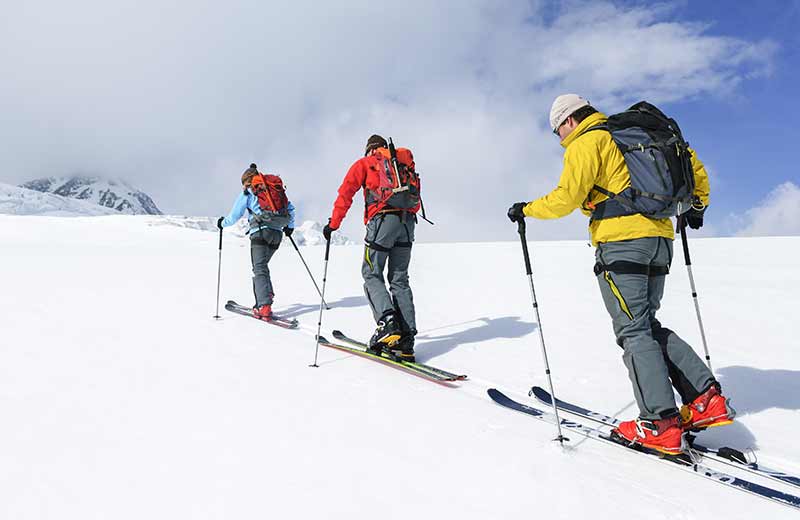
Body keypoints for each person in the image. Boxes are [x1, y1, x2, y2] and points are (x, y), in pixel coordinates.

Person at [507, 94, 735, 455]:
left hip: (621, 242)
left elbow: (568, 197)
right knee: (646, 323)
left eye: (557, 131)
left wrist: (527, 210)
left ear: (568, 120)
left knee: (633, 330)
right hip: (660, 240)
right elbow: (695, 169)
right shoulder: (640, 134)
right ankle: (706, 400)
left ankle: (658, 423)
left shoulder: (589, 140)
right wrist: (697, 206)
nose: (561, 138)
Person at [323, 135, 421, 361]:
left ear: (369, 149)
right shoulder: (402, 164)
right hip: (408, 224)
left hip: (383, 221)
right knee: (399, 279)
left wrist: (333, 224)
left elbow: (345, 193)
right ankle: (406, 339)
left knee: (370, 272)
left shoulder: (365, 163)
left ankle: (387, 323)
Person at [218, 163, 295, 320]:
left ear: (246, 181)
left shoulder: (248, 193)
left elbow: (234, 216)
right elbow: (291, 209)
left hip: (260, 233)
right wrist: (290, 227)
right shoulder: (273, 189)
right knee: (262, 267)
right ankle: (267, 293)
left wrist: (221, 223)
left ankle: (264, 306)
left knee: (259, 268)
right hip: (277, 234)